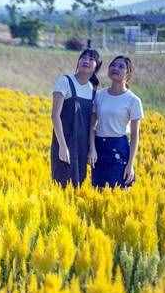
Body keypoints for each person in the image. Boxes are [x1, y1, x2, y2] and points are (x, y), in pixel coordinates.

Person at [88, 55, 143, 189]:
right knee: (97, 193)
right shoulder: (99, 95)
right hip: (99, 149)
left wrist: (130, 164)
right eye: (113, 65)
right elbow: (92, 126)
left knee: (120, 191)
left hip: (119, 148)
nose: (115, 68)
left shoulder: (133, 101)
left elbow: (135, 137)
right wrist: (92, 149)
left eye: (121, 66)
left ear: (128, 73)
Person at [50, 48, 102, 187]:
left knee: (78, 187)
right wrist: (62, 146)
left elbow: (92, 124)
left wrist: (92, 148)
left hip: (82, 147)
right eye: (83, 57)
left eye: (91, 59)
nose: (86, 60)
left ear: (96, 66)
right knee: (61, 186)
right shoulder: (65, 81)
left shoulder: (94, 91)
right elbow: (55, 116)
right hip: (64, 142)